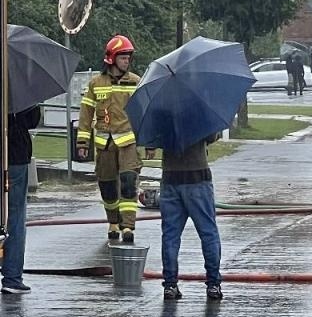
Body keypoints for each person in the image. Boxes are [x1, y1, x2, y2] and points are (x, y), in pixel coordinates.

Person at [77, 34, 142, 243]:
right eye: (123, 57)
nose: (127, 61)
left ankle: (128, 226)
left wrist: (149, 143)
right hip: (104, 145)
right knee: (106, 185)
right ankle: (113, 221)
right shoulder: (96, 84)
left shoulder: (135, 82)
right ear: (112, 59)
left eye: (128, 58)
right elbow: (86, 114)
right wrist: (82, 142)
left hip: (128, 143)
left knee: (129, 182)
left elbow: (145, 113)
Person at [154, 132, 223, 301]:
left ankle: (170, 285)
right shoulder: (199, 108)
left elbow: (156, 139)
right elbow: (212, 136)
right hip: (197, 176)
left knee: (170, 235)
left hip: (170, 177)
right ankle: (213, 284)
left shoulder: (161, 111)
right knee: (208, 233)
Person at [0, 104, 42, 293]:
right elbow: (32, 120)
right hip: (16, 154)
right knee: (15, 217)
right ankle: (12, 278)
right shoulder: (23, 86)